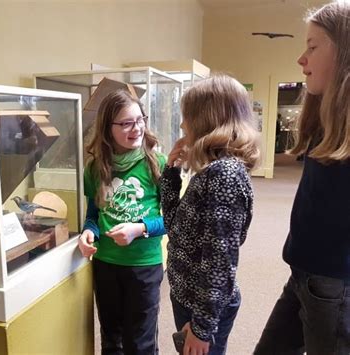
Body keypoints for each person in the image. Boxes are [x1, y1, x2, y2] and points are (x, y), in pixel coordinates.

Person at [254, 1, 350, 354]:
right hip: (303, 275)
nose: (301, 58)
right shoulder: (327, 121)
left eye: (312, 46)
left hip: (334, 284)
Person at [161, 74, 260, 355]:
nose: (182, 125)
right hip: (188, 297)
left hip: (201, 306)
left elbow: (220, 261)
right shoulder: (211, 172)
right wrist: (171, 170)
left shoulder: (224, 176)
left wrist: (202, 329)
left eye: (187, 116)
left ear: (206, 119)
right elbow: (175, 229)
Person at [77, 89, 167, 355]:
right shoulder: (94, 169)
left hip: (145, 266)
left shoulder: (158, 163)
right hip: (106, 265)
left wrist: (139, 229)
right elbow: (93, 216)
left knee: (140, 343)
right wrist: (88, 233)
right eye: (126, 123)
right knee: (111, 339)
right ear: (108, 128)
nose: (136, 128)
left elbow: (174, 220)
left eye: (139, 120)